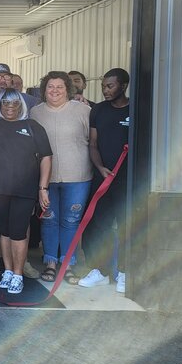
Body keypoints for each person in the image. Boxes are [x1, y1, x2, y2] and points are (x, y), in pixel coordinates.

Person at [0, 89, 53, 294]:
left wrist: (43, 188)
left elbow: (46, 157)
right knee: (5, 231)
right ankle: (7, 271)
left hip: (24, 190)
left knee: (18, 232)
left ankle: (18, 274)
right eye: (5, 103)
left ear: (21, 106)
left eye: (15, 103)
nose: (10, 107)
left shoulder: (32, 127)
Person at [30, 71, 92, 285]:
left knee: (70, 221)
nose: (54, 91)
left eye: (59, 87)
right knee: (49, 220)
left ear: (68, 89)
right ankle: (50, 263)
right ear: (43, 89)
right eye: (50, 87)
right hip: (47, 179)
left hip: (78, 176)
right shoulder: (35, 113)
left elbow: (90, 140)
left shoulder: (83, 110)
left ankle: (68, 264)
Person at [79, 68, 131, 293]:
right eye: (103, 86)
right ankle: (99, 270)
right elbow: (92, 144)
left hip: (127, 181)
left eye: (110, 86)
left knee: (126, 225)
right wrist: (100, 168)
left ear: (124, 86)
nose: (105, 90)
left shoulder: (135, 109)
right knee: (97, 225)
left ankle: (124, 272)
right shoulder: (98, 110)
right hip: (102, 179)